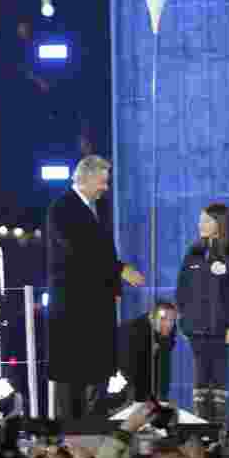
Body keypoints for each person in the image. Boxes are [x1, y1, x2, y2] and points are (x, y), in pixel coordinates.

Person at [46, 155, 145, 421]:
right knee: (73, 375)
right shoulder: (63, 207)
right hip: (73, 305)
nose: (105, 187)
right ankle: (71, 432)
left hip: (95, 304)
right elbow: (80, 250)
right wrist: (119, 269)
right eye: (102, 182)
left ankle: (94, 426)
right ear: (87, 178)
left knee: (96, 370)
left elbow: (100, 249)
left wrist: (113, 286)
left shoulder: (96, 208)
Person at [175, 203, 229, 424]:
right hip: (195, 327)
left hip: (222, 328)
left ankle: (218, 426)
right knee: (199, 376)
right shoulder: (193, 252)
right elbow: (182, 289)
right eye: (201, 220)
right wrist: (183, 321)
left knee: (218, 377)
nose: (201, 224)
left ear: (220, 223)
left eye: (206, 220)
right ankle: (201, 426)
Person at [117, 302, 178, 404]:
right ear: (151, 317)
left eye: (171, 320)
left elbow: (163, 363)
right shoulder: (131, 331)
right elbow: (126, 367)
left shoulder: (169, 330)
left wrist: (162, 396)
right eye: (163, 319)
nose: (168, 324)